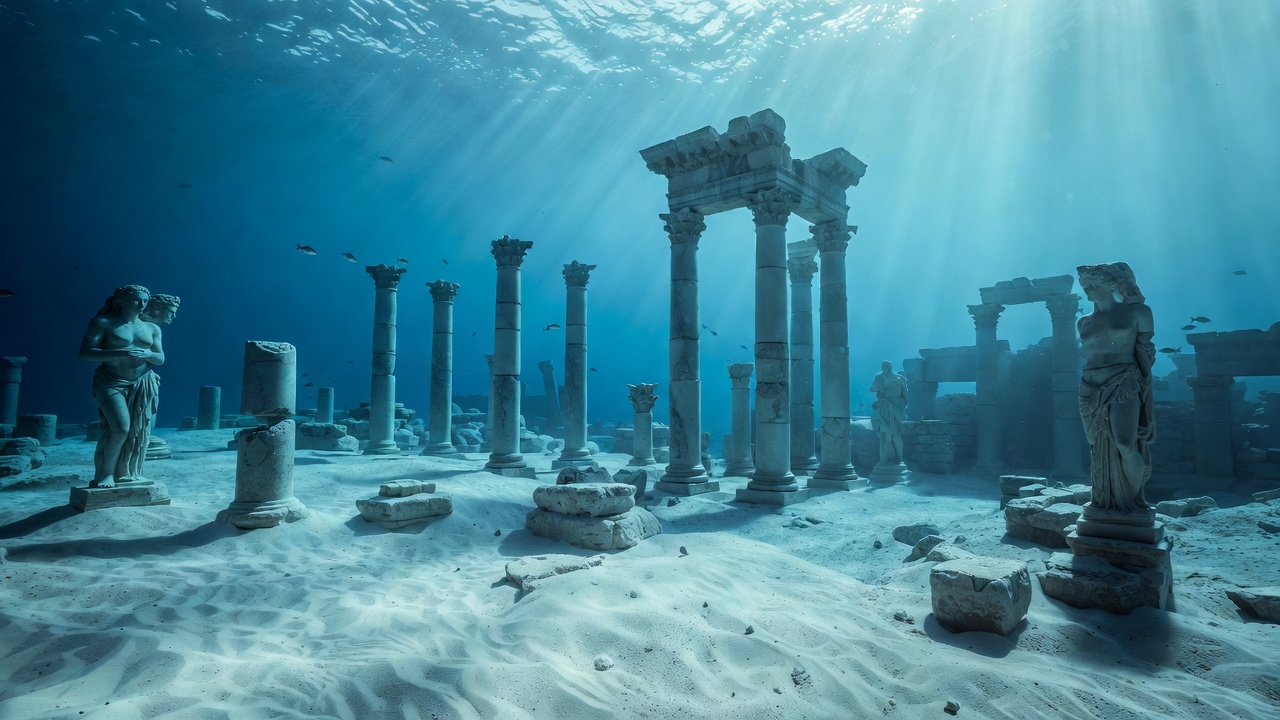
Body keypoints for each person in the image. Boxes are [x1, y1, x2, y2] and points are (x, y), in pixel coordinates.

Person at [1076, 262, 1156, 516]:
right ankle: (1104, 501)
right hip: (1089, 388)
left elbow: (1146, 353)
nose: (1087, 291)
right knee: (1097, 446)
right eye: (1084, 287)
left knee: (1124, 443)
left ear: (1109, 284)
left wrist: (1144, 391)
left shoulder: (1139, 313)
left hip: (1123, 383)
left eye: (1092, 285)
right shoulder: (1083, 322)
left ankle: (1131, 504)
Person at [78, 285, 165, 488]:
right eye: (137, 300)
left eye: (145, 300)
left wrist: (148, 355)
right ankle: (105, 474)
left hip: (143, 382)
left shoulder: (151, 328)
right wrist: (121, 353)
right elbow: (85, 353)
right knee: (119, 428)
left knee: (138, 430)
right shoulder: (103, 323)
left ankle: (126, 473)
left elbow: (160, 358)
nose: (142, 304)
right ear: (121, 301)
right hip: (111, 381)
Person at [870, 360, 908, 465]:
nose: (885, 368)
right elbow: (873, 389)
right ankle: (886, 459)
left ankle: (900, 459)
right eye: (883, 366)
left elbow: (905, 395)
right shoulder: (879, 377)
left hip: (897, 406)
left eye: (887, 366)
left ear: (891, 366)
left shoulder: (900, 378)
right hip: (884, 406)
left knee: (896, 433)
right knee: (884, 432)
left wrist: (902, 407)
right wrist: (881, 382)